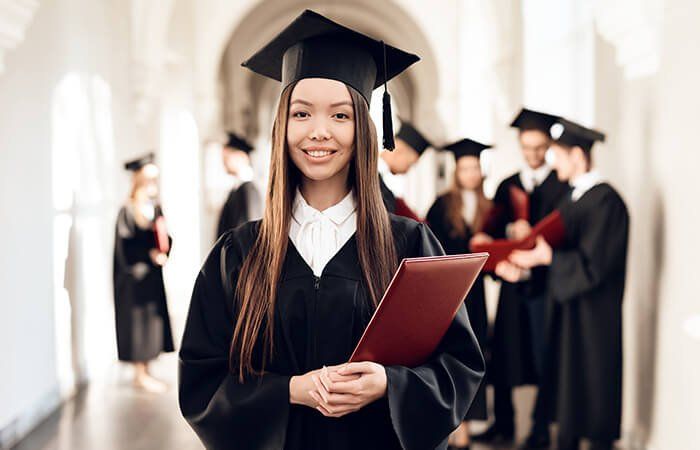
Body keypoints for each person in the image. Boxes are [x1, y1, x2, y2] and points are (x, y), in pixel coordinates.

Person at [178, 10, 485, 450]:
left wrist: (389, 384)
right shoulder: (237, 253)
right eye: (301, 113)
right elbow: (202, 384)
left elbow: (458, 367)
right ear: (282, 126)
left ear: (363, 127)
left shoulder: (411, 245)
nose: (319, 132)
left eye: (340, 116)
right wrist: (290, 391)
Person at [498, 118, 629, 450]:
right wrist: (526, 260)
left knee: (594, 387)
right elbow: (555, 244)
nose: (552, 162)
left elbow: (595, 266)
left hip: (593, 314)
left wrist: (547, 259)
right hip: (568, 308)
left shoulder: (606, 201)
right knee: (567, 391)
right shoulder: (574, 198)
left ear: (578, 158)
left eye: (557, 155)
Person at [472, 108, 570, 449]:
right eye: (527, 148)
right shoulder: (507, 186)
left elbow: (566, 231)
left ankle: (541, 429)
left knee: (545, 355)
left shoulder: (562, 184)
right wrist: (505, 233)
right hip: (514, 281)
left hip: (545, 282)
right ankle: (504, 424)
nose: (533, 155)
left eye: (540, 148)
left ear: (549, 145)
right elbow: (491, 230)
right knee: (505, 352)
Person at [426, 138, 492, 450]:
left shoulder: (490, 208)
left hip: (476, 292)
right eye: (464, 168)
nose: (470, 173)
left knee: (475, 351)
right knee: (451, 349)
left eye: (474, 167)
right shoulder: (442, 206)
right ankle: (453, 424)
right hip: (451, 290)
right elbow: (428, 248)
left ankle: (469, 422)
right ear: (457, 171)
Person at [113, 153, 174, 393]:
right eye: (149, 179)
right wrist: (148, 255)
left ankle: (147, 370)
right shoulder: (128, 211)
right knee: (138, 326)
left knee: (152, 324)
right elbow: (125, 247)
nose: (153, 184)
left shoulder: (154, 207)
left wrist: (164, 250)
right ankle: (140, 374)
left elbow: (165, 237)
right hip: (135, 280)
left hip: (152, 277)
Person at [379, 120, 431, 220]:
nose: (407, 170)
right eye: (410, 164)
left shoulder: (384, 178)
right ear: (399, 151)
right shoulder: (369, 173)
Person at [216, 132, 264, 238]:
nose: (223, 163)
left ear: (242, 156)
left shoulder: (249, 189)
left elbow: (249, 231)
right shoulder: (236, 189)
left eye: (226, 158)